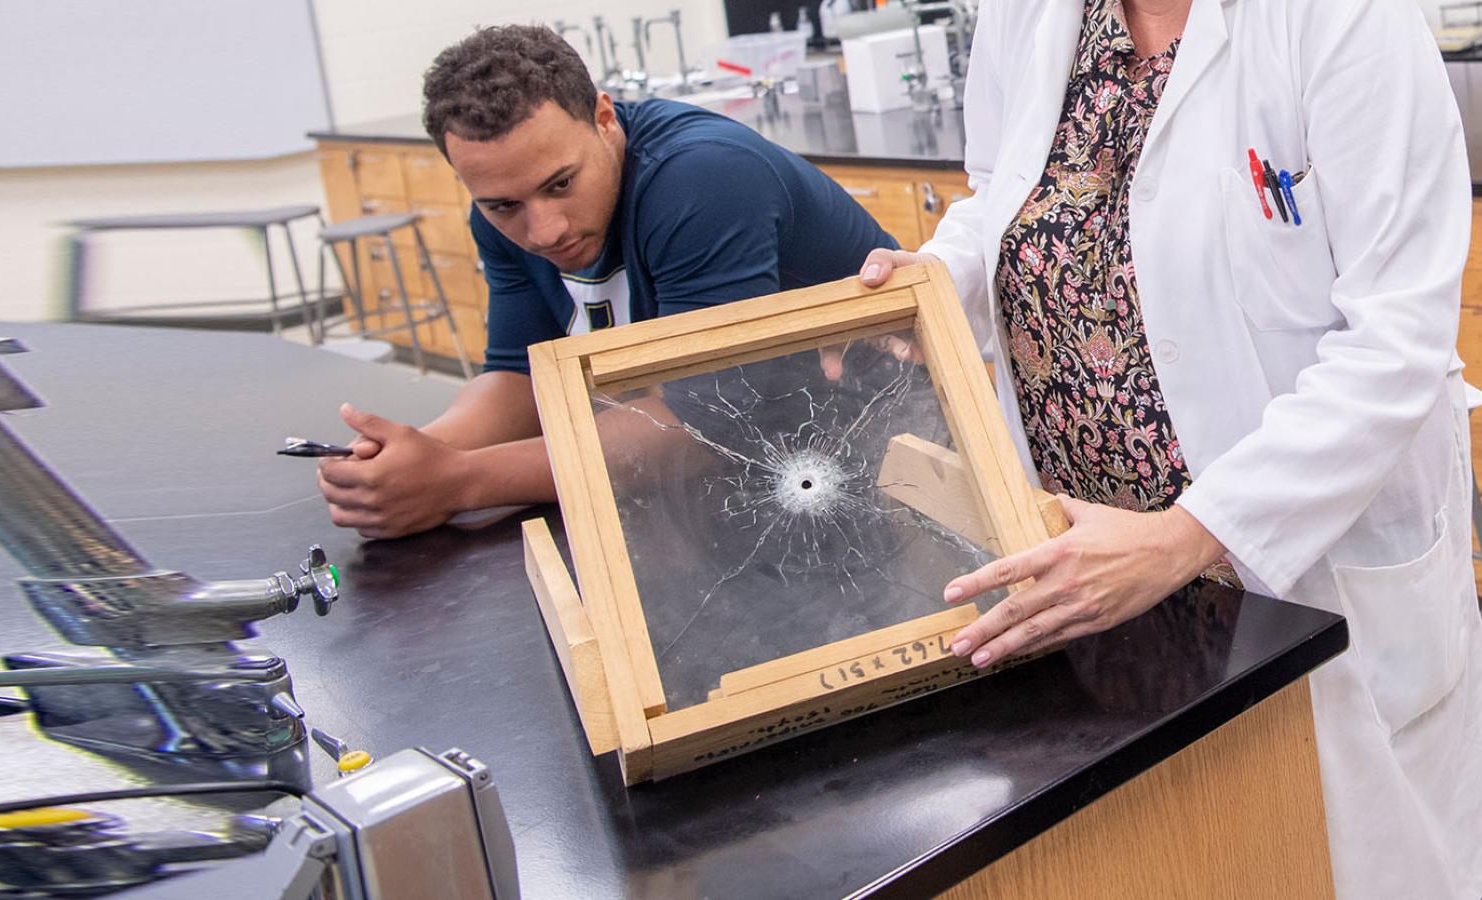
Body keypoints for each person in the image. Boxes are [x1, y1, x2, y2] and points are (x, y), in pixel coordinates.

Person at [858, 0, 1481, 895]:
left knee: (1337, 863)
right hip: (1092, 587)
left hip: (1287, 578)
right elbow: (999, 194)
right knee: (1163, 855)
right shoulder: (1026, 15)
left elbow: (1398, 343)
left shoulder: (1344, 20)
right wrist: (943, 277)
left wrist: (1192, 533)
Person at [316, 25, 897, 539]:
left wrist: (459, 481)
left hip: (878, 459)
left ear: (604, 118)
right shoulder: (500, 212)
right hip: (730, 482)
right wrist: (415, 457)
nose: (543, 231)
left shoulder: (702, 180)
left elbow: (707, 421)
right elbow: (521, 377)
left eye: (561, 184)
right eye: (503, 205)